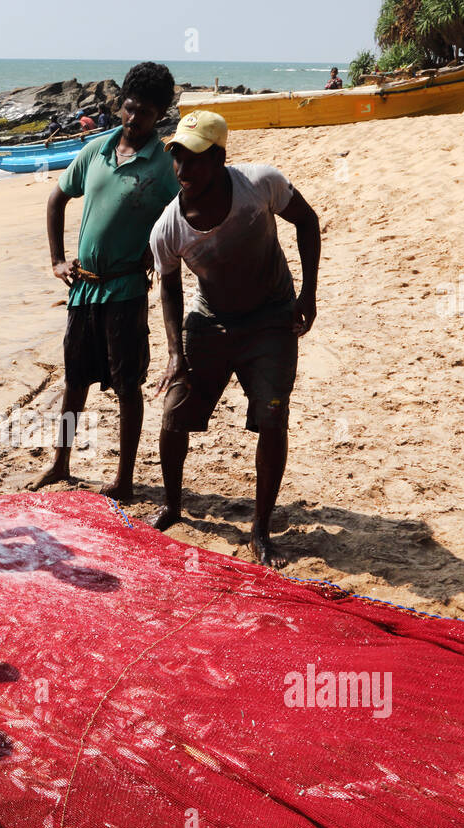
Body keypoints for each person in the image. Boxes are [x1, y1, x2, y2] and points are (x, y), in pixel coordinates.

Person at [149, 111, 321, 568]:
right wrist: (174, 354)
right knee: (175, 412)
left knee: (272, 417)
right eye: (177, 158)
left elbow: (307, 221)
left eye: (195, 160)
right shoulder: (168, 227)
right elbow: (168, 287)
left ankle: (261, 529)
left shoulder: (260, 184)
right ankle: (171, 504)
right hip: (210, 322)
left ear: (220, 158)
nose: (183, 170)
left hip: (271, 319)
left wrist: (308, 293)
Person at [31, 62, 180, 502]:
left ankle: (125, 477)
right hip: (83, 289)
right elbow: (57, 199)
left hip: (127, 290)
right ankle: (60, 462)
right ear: (119, 105)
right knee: (74, 382)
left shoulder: (165, 167)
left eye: (146, 114)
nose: (135, 120)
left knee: (127, 386)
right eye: (130, 109)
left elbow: (181, 219)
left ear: (159, 117)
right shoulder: (95, 150)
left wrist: (158, 255)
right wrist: (58, 261)